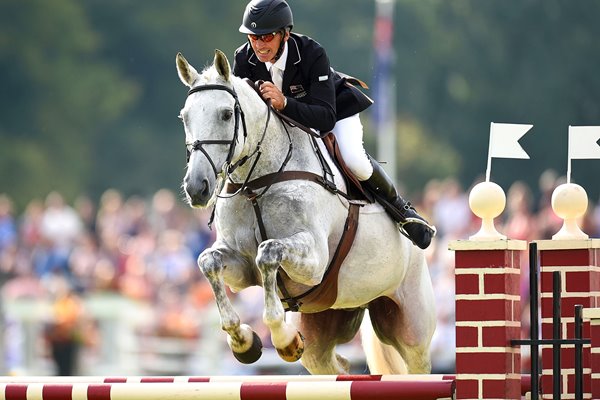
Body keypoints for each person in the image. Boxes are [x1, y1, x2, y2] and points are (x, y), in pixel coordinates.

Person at [233, 0, 435, 249]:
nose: (259, 45)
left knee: (354, 161)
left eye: (267, 37)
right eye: (254, 37)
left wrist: (284, 103)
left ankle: (404, 213)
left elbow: (324, 118)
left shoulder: (311, 53)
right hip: (283, 124)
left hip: (334, 112)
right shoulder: (243, 59)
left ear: (285, 34)